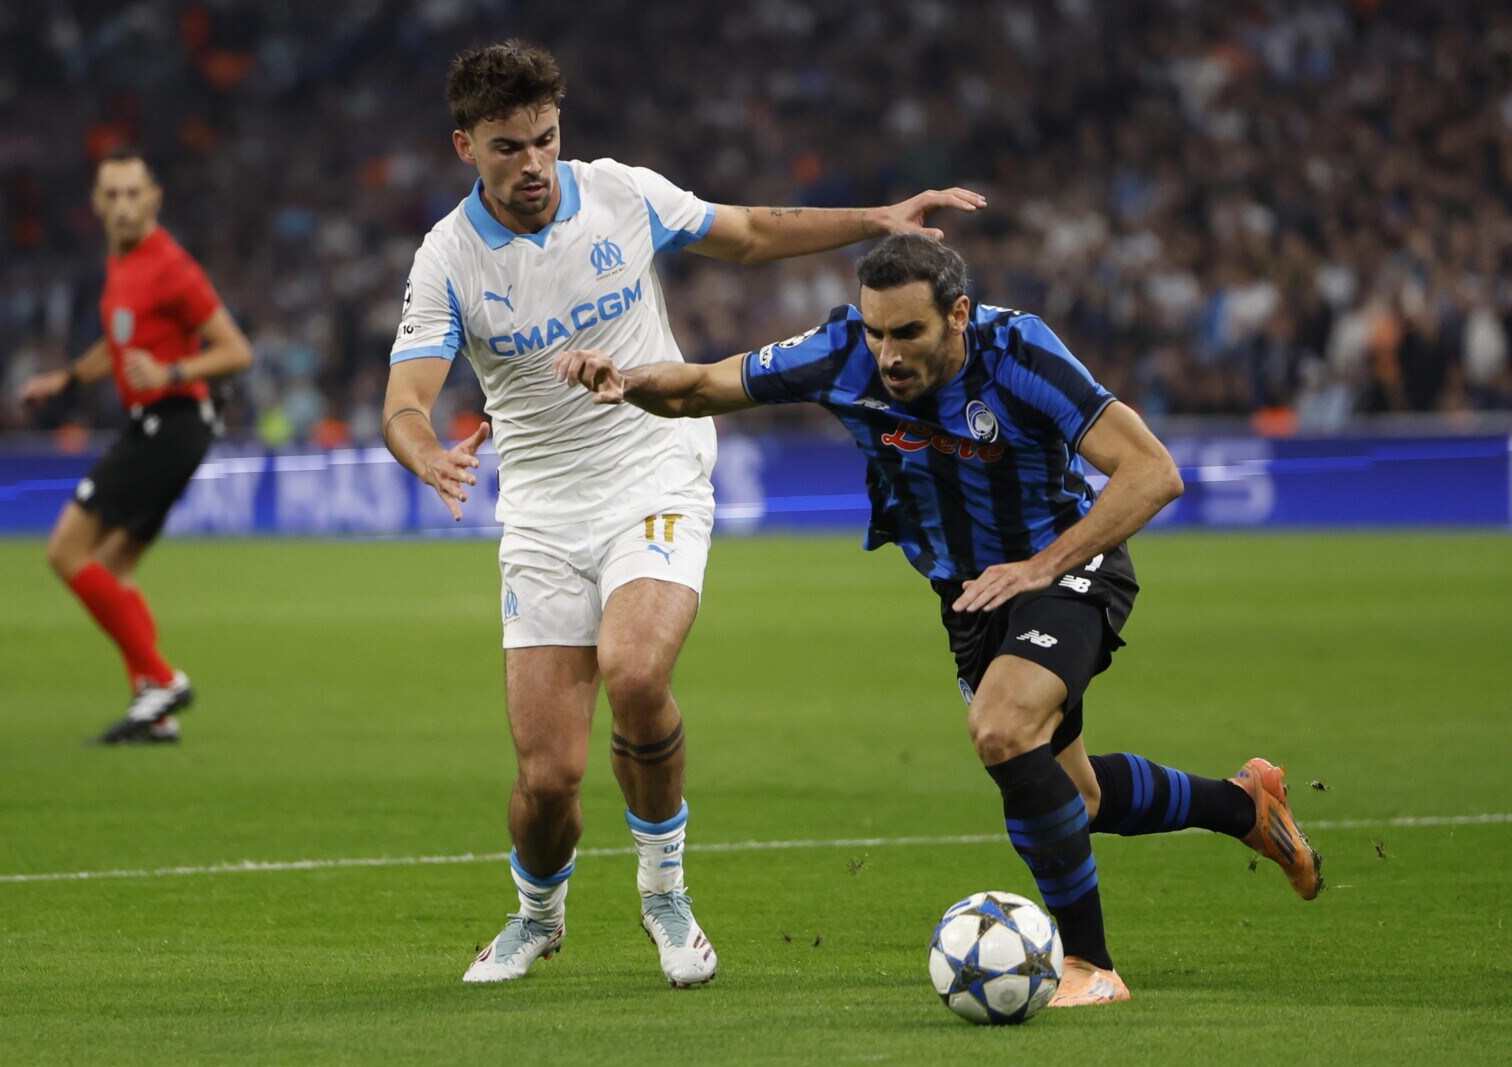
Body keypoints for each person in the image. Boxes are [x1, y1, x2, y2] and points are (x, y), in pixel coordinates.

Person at [555, 233, 1323, 1006]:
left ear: (958, 314)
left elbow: (1153, 471)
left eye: (907, 332)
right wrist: (626, 379)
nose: (887, 354)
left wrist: (1042, 566)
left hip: (1066, 565)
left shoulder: (1018, 351)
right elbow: (696, 388)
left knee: (1002, 728)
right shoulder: (841, 353)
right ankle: (1243, 804)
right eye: (876, 331)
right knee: (1075, 797)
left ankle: (1092, 966)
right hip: (970, 597)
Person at [381, 42, 984, 988]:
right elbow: (406, 400)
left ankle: (664, 892)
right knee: (548, 778)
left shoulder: (620, 192)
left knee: (635, 669)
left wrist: (877, 219)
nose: (534, 163)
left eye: (545, 139)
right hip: (542, 513)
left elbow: (745, 232)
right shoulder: (447, 257)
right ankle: (537, 915)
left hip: (654, 473)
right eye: (508, 147)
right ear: (466, 147)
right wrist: (426, 454)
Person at [19, 147, 252, 744]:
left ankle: (163, 680)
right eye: (112, 195)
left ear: (154, 199)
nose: (123, 205)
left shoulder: (170, 267)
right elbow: (120, 344)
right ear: (96, 204)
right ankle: (156, 712)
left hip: (170, 422)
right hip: (163, 424)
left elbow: (236, 350)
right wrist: (66, 379)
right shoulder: (123, 263)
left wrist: (172, 372)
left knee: (66, 551)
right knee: (114, 565)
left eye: (133, 193)